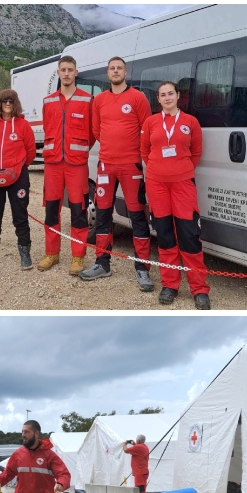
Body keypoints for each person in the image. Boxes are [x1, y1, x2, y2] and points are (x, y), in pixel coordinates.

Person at [140, 81, 211, 309]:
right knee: (165, 235)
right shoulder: (151, 122)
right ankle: (170, 285)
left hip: (182, 184)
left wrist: (181, 170)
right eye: (163, 95)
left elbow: (196, 152)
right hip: (157, 184)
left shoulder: (190, 122)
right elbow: (144, 151)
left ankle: (199, 288)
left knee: (189, 235)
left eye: (171, 93)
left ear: (178, 96)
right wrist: (158, 169)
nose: (167, 97)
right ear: (158, 99)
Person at [83, 57, 153, 287]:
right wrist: (112, 148)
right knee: (103, 215)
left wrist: (129, 151)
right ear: (107, 72)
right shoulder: (100, 99)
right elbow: (96, 129)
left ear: (125, 71)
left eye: (119, 68)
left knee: (137, 216)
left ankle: (142, 268)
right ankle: (102, 263)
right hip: (106, 165)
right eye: (112, 68)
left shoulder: (138, 97)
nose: (115, 71)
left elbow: (147, 129)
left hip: (131, 165)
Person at [37, 56, 95, 275]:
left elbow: (92, 133)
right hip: (53, 163)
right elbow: (47, 126)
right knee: (51, 209)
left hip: (77, 164)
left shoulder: (88, 100)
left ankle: (78, 256)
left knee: (79, 211)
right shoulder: (48, 101)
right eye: (63, 70)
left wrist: (78, 148)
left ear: (76, 73)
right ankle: (51, 253)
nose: (67, 73)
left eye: (71, 70)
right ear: (59, 73)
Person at [0, 89, 37, 270]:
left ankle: (25, 253)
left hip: (17, 176)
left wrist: (18, 167)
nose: (8, 104)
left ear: (15, 103)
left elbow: (30, 151)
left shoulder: (23, 125)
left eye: (11, 101)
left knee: (20, 215)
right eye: (5, 101)